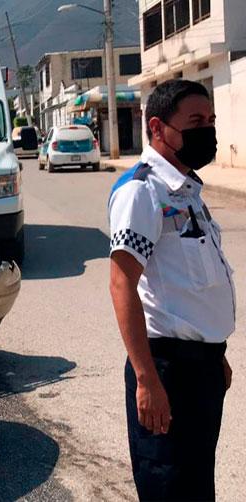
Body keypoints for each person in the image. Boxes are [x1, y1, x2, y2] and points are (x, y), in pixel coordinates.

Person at [108, 80, 234, 501]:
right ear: (158, 128)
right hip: (167, 371)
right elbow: (122, 283)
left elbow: (191, 286)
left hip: (201, 368)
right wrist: (146, 380)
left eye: (211, 120)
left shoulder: (186, 191)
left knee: (197, 484)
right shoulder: (141, 191)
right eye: (196, 122)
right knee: (169, 486)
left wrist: (215, 352)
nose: (207, 130)